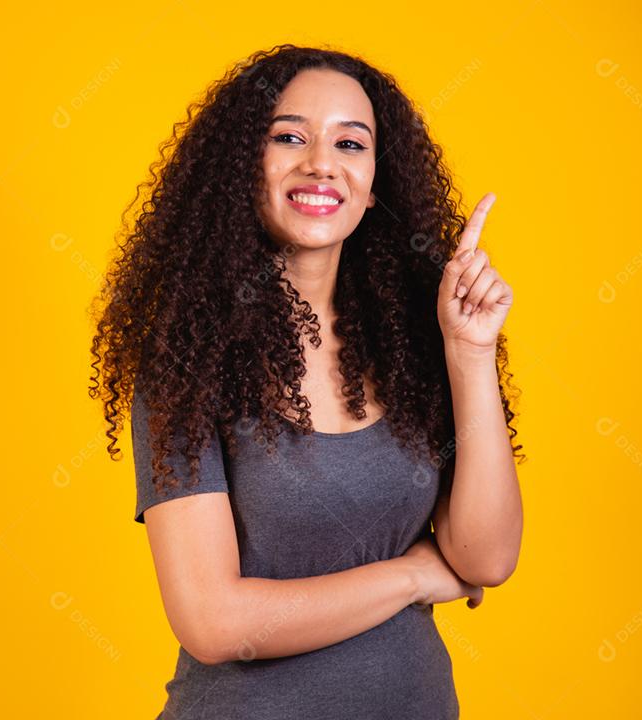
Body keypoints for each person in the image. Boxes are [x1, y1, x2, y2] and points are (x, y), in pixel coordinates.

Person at [87, 43, 524, 719]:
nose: (321, 162)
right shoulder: (189, 359)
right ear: (243, 166)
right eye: (288, 136)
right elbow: (214, 622)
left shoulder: (414, 344)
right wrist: (412, 574)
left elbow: (485, 558)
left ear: (375, 181)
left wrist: (469, 353)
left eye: (351, 143)